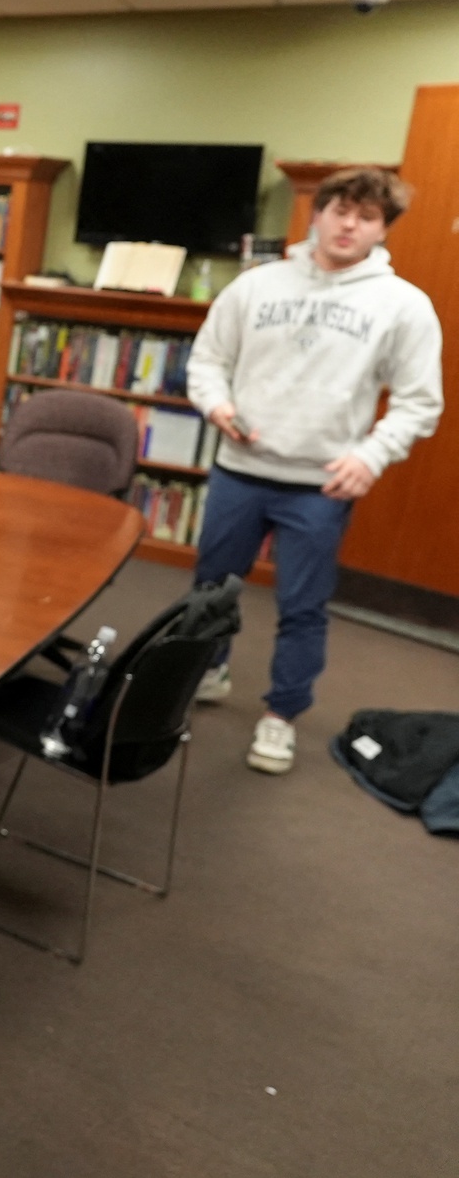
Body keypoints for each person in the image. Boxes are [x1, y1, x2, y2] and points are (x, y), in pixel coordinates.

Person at [187, 166, 443, 773]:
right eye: (340, 210)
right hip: (240, 468)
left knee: (302, 606)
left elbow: (419, 401)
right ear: (317, 214)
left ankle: (280, 716)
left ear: (383, 228)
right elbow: (207, 361)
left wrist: (370, 455)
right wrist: (217, 404)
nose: (350, 224)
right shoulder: (256, 286)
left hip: (319, 485)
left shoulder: (403, 305)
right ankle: (204, 669)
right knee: (209, 588)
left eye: (368, 216)